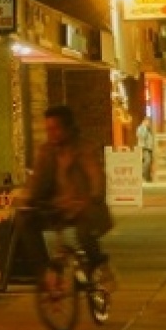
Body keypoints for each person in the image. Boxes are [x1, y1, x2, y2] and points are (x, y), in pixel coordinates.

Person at [20, 105, 112, 272]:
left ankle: (99, 266)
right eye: (48, 129)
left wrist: (94, 197)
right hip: (57, 209)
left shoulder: (85, 149)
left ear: (68, 128)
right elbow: (37, 180)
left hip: (84, 207)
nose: (51, 133)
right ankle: (45, 272)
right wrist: (27, 199)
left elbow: (96, 176)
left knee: (84, 234)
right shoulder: (46, 151)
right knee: (25, 222)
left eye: (56, 128)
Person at [136, 116, 155, 182]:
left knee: (149, 163)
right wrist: (145, 128)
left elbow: (152, 139)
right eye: (148, 122)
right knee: (147, 161)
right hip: (144, 148)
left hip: (150, 148)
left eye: (150, 122)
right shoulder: (140, 128)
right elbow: (142, 136)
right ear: (144, 121)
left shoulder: (149, 129)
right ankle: (143, 175)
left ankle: (148, 177)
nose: (149, 123)